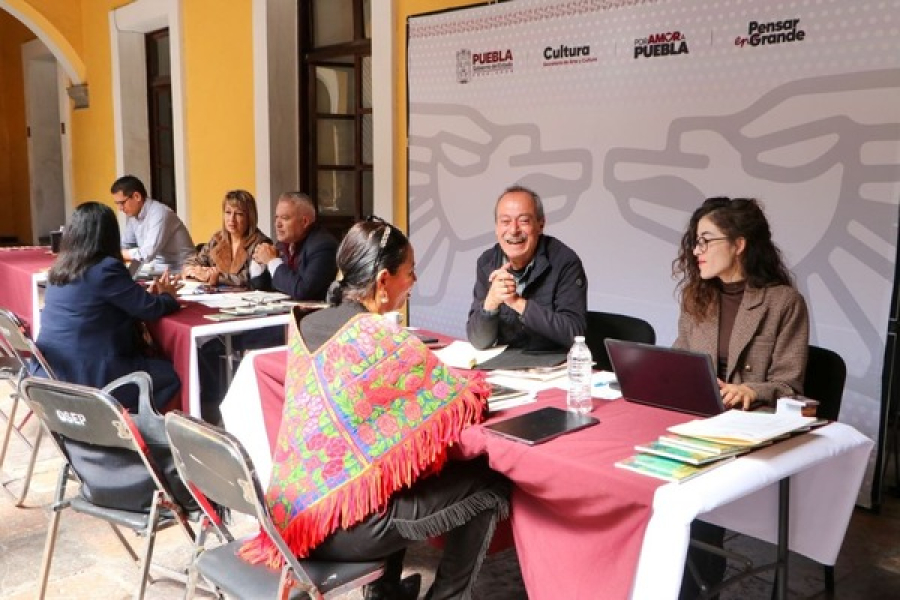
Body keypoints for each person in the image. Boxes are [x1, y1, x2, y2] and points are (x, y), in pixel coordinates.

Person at [240, 219, 510, 600]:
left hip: (294, 514)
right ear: (384, 281)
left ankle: (385, 594)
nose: (414, 281)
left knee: (389, 461)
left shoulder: (304, 322)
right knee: (489, 482)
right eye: (410, 272)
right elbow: (461, 402)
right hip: (340, 525)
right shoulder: (381, 337)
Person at [671, 196, 809, 599]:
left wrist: (751, 390)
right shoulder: (696, 297)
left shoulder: (784, 302)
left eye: (706, 240)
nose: (695, 251)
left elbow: (790, 383)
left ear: (739, 244)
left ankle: (696, 586)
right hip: (698, 420)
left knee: (692, 494)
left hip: (748, 429)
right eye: (695, 242)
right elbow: (681, 359)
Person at [35, 201, 182, 413]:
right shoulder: (105, 268)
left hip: (51, 371)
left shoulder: (59, 269)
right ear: (109, 235)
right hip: (91, 376)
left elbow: (102, 305)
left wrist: (144, 297)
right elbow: (150, 309)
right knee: (171, 374)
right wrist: (168, 296)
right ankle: (130, 424)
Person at [466, 184, 587, 351]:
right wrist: (491, 302)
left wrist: (517, 303)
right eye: (505, 221)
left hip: (552, 362)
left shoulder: (565, 262)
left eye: (523, 221)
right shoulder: (487, 263)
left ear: (540, 224)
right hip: (505, 362)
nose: (514, 230)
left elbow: (574, 334)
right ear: (496, 228)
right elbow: (479, 341)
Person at [250, 191, 338, 300]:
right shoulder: (282, 245)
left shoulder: (323, 246)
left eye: (285, 218)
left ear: (304, 222)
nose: (277, 224)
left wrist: (272, 261)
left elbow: (303, 291)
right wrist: (259, 263)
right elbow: (265, 287)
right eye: (276, 217)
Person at [182, 189, 272, 288]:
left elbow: (249, 279)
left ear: (249, 217)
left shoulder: (261, 244)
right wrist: (193, 270)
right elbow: (196, 261)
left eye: (239, 214)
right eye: (228, 212)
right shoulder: (217, 239)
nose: (231, 219)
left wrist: (216, 277)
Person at [112, 174, 195, 268]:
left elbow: (147, 254)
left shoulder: (160, 213)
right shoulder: (133, 216)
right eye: (117, 204)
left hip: (182, 269)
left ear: (137, 196)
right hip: (155, 268)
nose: (120, 208)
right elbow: (125, 245)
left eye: (122, 203)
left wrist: (117, 253)